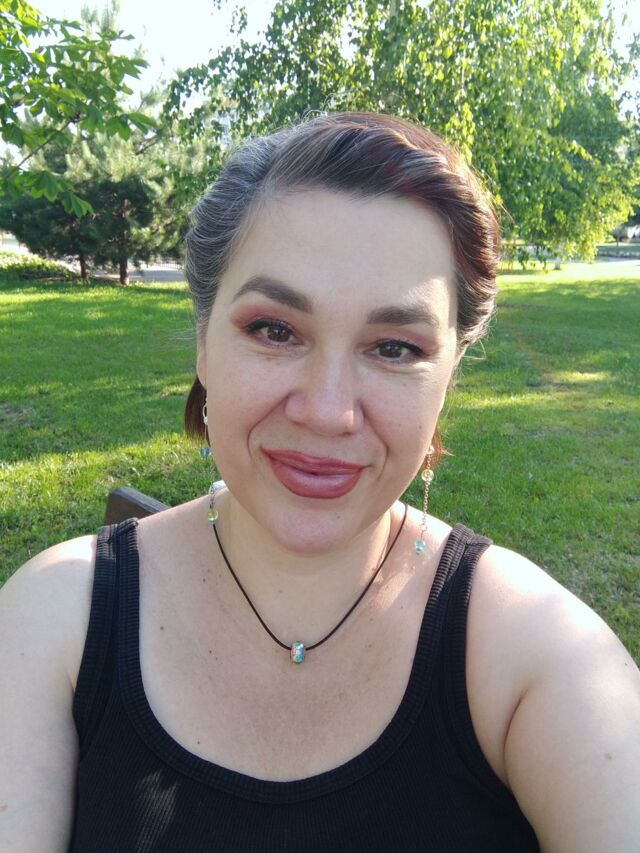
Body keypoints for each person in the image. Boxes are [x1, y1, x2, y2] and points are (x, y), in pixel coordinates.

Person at [1, 112, 639, 853]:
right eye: (274, 330)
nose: (329, 411)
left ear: (449, 377)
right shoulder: (53, 621)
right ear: (203, 341)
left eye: (394, 347)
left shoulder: (541, 660)